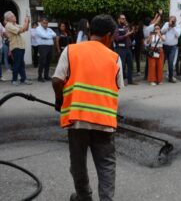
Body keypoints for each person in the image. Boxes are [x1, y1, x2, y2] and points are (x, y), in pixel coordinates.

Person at [52, 14, 123, 201]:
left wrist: (60, 100)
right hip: (104, 122)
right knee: (106, 164)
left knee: (78, 163)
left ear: (91, 31)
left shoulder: (71, 50)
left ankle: (84, 197)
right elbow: (117, 87)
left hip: (77, 120)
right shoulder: (114, 58)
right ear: (108, 35)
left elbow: (57, 80)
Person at [4, 11, 32, 86]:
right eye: (12, 16)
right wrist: (26, 21)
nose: (14, 17)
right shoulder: (8, 25)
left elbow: (25, 29)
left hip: (21, 46)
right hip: (15, 46)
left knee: (21, 64)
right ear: (8, 18)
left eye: (14, 15)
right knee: (17, 64)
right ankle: (14, 79)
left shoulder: (15, 24)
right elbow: (20, 31)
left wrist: (28, 22)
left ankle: (23, 79)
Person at [115, 14, 137, 85]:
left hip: (128, 48)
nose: (124, 20)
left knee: (130, 65)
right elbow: (117, 38)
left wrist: (132, 32)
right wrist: (126, 35)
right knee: (122, 66)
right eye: (122, 18)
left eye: (124, 18)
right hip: (121, 49)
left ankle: (130, 80)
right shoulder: (116, 27)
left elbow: (131, 36)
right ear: (118, 19)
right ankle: (121, 81)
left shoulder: (126, 27)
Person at [36, 17, 56, 82]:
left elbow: (54, 35)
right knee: (42, 62)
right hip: (43, 47)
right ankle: (40, 77)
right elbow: (43, 36)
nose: (45, 24)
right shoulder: (38, 29)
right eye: (44, 23)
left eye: (47, 23)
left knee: (48, 62)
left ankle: (46, 76)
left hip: (50, 46)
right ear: (41, 22)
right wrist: (49, 36)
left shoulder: (49, 29)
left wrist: (47, 36)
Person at [161, 16, 181, 83]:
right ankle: (159, 77)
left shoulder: (177, 26)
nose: (172, 22)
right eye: (171, 20)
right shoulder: (166, 24)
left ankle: (170, 77)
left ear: (175, 21)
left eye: (173, 21)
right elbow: (161, 31)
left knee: (170, 62)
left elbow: (178, 35)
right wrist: (168, 27)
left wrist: (173, 28)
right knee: (162, 62)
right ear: (169, 20)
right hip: (165, 46)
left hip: (173, 47)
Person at [143, 13, 161, 80]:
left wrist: (155, 16)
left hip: (147, 44)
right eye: (151, 21)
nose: (152, 22)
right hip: (150, 45)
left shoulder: (145, 27)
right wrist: (160, 14)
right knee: (150, 62)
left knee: (148, 61)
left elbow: (153, 21)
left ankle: (146, 75)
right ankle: (148, 75)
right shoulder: (150, 27)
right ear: (149, 22)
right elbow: (156, 22)